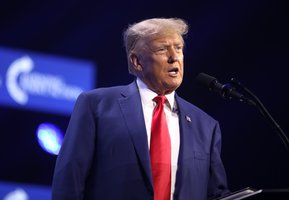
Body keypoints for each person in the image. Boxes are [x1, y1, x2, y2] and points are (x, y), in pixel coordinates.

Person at [52, 17, 229, 200]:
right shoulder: (96, 105)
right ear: (137, 61)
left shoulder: (206, 126)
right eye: (162, 49)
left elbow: (216, 194)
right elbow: (69, 182)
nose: (174, 57)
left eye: (178, 48)